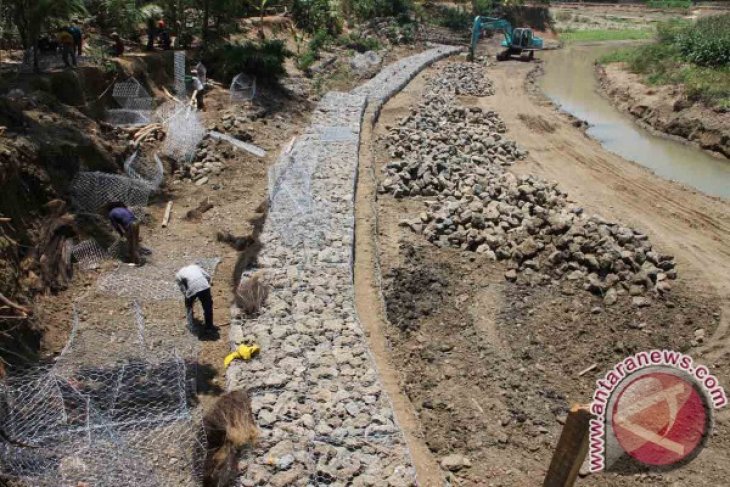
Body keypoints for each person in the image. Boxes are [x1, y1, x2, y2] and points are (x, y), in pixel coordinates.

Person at [176, 264, 215, 336]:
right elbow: (208, 277)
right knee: (207, 307)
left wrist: (189, 297)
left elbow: (183, 289)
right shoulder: (195, 267)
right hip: (204, 285)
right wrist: (205, 287)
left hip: (192, 287)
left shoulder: (178, 275)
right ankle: (209, 327)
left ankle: (190, 324)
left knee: (188, 305)